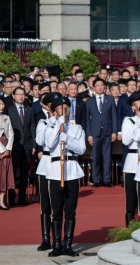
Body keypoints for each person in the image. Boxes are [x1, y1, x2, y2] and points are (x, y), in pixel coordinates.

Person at [45, 97, 85, 257]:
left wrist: (67, 139)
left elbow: (81, 149)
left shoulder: (77, 128)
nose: (65, 110)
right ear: (54, 112)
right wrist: (58, 127)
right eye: (61, 108)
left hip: (72, 170)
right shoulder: (49, 127)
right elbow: (49, 144)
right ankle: (56, 244)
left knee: (70, 211)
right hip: (55, 170)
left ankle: (68, 244)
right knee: (56, 211)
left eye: (67, 107)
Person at [34, 93, 60, 249]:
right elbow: (40, 141)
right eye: (50, 104)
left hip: (60, 164)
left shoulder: (66, 123)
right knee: (45, 204)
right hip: (46, 163)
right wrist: (51, 119)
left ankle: (58, 239)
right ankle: (46, 238)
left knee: (58, 204)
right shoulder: (43, 122)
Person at [84, 78, 118, 187]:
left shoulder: (110, 99)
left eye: (101, 85)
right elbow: (87, 120)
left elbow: (114, 116)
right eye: (97, 85)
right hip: (95, 132)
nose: (100, 87)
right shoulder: (89, 101)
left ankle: (107, 179)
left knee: (108, 157)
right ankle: (96, 179)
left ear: (105, 87)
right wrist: (89, 134)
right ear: (93, 88)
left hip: (108, 131)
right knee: (96, 157)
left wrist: (114, 131)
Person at [121, 91, 140, 226]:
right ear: (133, 106)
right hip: (132, 160)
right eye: (139, 101)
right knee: (131, 198)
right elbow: (125, 140)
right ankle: (129, 227)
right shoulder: (128, 120)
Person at [7, 86, 35, 205]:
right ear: (13, 96)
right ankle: (12, 198)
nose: (21, 96)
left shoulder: (30, 110)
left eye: (22, 94)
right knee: (12, 172)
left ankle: (23, 197)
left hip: (27, 145)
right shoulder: (9, 110)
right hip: (14, 145)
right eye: (18, 94)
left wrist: (34, 145)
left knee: (25, 172)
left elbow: (32, 127)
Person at [0, 100, 14, 211]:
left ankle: (2, 200)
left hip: (6, 149)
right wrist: (2, 150)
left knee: (4, 175)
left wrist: (7, 149)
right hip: (1, 149)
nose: (1, 106)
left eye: (2, 104)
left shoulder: (6, 117)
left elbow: (11, 133)